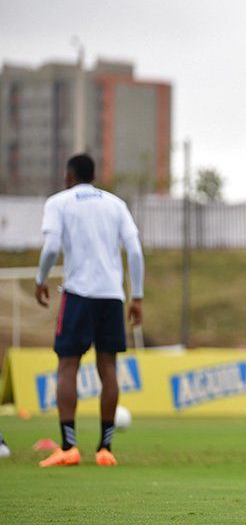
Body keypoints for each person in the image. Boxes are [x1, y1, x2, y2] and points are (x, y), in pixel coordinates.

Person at [34, 154, 144, 467]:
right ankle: (105, 448)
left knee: (68, 365)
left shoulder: (59, 202)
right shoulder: (115, 204)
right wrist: (137, 296)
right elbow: (134, 250)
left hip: (79, 293)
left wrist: (41, 280)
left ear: (69, 175)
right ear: (93, 175)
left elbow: (52, 248)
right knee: (108, 367)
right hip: (112, 296)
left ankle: (69, 446)